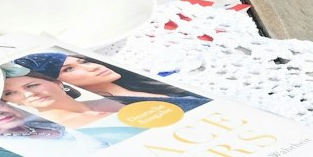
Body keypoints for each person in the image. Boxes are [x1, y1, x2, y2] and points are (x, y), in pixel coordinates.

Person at [0, 59, 145, 148]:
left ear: (58, 83)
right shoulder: (59, 134)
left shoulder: (115, 101)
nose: (29, 94)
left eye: (32, 85)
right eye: (10, 93)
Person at [53, 54, 209, 109]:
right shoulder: (107, 108)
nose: (93, 67)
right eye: (69, 69)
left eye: (84, 62)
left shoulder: (151, 84)